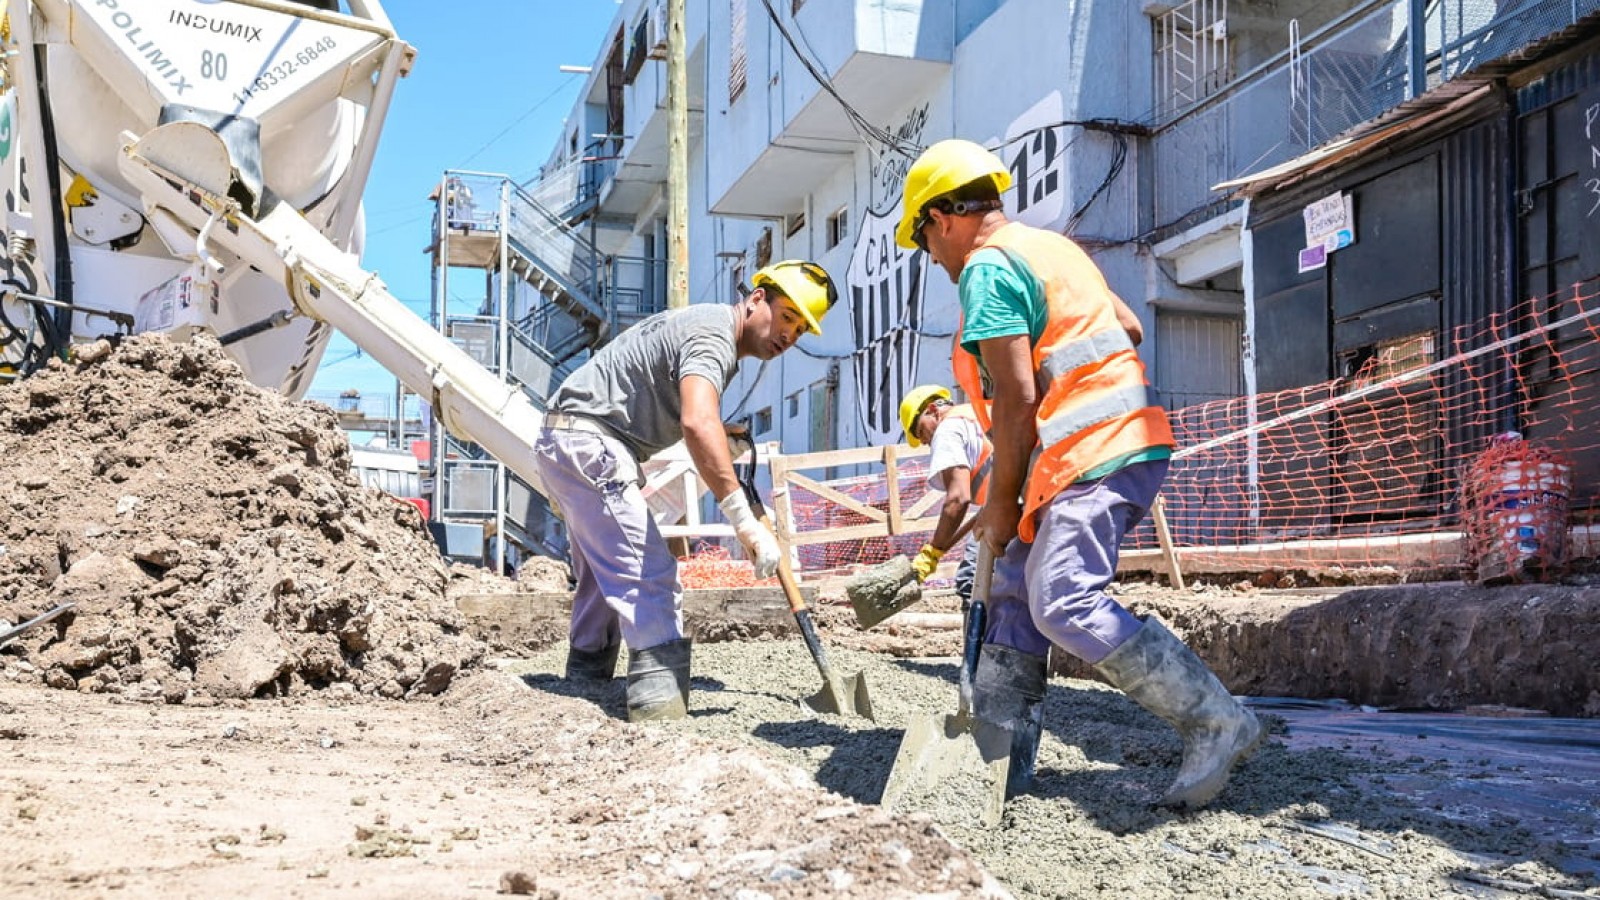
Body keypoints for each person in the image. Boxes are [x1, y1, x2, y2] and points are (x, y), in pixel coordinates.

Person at [895, 139, 1261, 808]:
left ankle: (1216, 719)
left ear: (941, 218)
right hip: (1074, 455)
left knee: (1061, 598)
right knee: (1009, 590)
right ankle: (996, 757)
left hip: (1094, 452)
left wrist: (1001, 500)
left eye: (925, 243)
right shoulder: (1053, 250)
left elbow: (1016, 398)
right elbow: (1126, 325)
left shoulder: (986, 268)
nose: (934, 260)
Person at [534, 260, 839, 722]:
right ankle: (660, 706)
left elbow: (692, 415)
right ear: (757, 299)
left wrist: (720, 433)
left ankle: (586, 675)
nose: (788, 336)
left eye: (799, 330)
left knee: (604, 571)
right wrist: (741, 518)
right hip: (589, 441)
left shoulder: (710, 330)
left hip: (574, 437)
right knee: (648, 569)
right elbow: (696, 421)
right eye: (787, 317)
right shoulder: (714, 336)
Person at [898, 384, 991, 603]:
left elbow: (958, 498)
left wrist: (933, 551)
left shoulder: (947, 429)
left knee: (972, 579)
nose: (922, 441)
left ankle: (978, 638)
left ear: (932, 410)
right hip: (1022, 503)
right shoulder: (974, 415)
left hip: (1016, 509)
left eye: (920, 431)